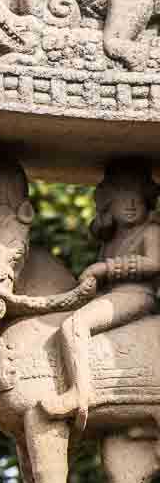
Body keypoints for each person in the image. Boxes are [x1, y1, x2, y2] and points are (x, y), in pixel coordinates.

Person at [41, 160, 160, 432]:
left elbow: (154, 264)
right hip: (112, 296)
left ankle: (79, 393)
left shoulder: (151, 231)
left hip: (136, 295)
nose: (131, 204)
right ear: (108, 204)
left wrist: (106, 268)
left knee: (75, 325)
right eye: (123, 198)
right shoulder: (110, 240)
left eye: (137, 197)